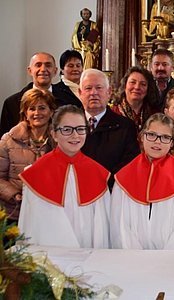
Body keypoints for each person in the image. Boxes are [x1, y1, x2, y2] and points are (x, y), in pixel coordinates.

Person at [18, 105, 110, 248]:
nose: (75, 135)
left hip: (88, 257)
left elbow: (102, 230)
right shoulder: (36, 174)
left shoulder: (98, 173)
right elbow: (30, 225)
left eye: (80, 129)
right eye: (67, 129)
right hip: (49, 258)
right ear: (54, 134)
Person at [110, 113, 174, 250]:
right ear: (142, 137)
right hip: (132, 261)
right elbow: (119, 226)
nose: (157, 141)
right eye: (152, 135)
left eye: (165, 137)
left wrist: (164, 260)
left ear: (172, 143)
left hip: (170, 263)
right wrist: (137, 258)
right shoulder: (123, 177)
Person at [0, 89, 57, 224]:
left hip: (49, 213)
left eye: (42, 108)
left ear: (51, 112)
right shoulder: (7, 140)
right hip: (14, 214)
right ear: (25, 113)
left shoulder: (60, 140)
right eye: (32, 109)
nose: (37, 113)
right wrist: (15, 195)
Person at [79, 69, 140, 189]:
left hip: (111, 192)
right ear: (80, 92)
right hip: (76, 191)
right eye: (88, 88)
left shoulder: (125, 126)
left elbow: (129, 165)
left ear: (109, 92)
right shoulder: (70, 125)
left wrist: (105, 182)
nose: (93, 93)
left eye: (99, 88)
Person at [0, 52, 62, 136]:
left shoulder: (68, 100)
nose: (43, 69)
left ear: (55, 71)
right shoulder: (12, 103)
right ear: (30, 71)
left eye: (48, 65)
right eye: (38, 65)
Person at [111, 66, 155, 132]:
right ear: (125, 85)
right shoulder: (112, 113)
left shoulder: (154, 115)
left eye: (143, 84)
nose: (137, 87)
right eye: (133, 82)